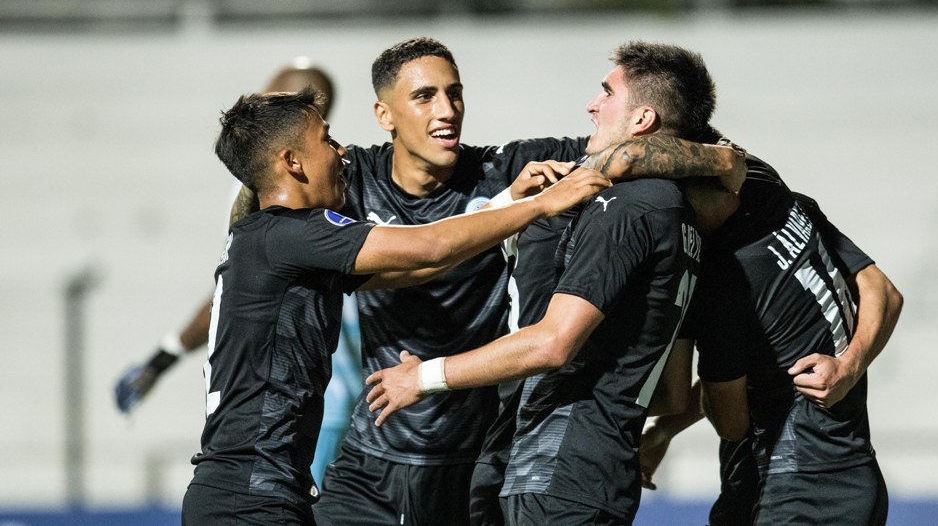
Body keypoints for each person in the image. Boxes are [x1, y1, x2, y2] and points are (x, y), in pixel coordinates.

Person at [310, 38, 745, 526]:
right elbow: (271, 205)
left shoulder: (507, 168)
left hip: (474, 463)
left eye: (455, 93)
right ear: (384, 115)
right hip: (374, 454)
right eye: (425, 96)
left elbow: (638, 147)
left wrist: (722, 160)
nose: (447, 110)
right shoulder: (351, 179)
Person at [180, 88, 610, 525]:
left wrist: (506, 202)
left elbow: (415, 270)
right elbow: (428, 246)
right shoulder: (294, 233)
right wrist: (540, 206)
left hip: (251, 492)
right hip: (251, 499)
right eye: (326, 140)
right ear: (292, 162)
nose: (340, 151)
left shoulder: (272, 243)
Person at [112, 59, 365, 486]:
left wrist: (161, 359)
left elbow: (237, 289)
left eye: (272, 98)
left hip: (295, 406)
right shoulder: (339, 178)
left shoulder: (276, 187)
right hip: (328, 399)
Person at [642, 156, 903, 525]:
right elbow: (884, 291)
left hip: (801, 491)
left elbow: (730, 419)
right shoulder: (790, 210)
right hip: (837, 477)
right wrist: (849, 365)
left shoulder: (723, 282)